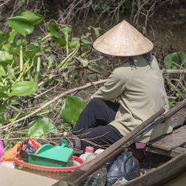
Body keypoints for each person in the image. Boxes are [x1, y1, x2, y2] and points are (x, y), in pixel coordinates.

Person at [64, 20, 173, 152]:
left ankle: (75, 143)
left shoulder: (122, 73)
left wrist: (90, 100)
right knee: (96, 105)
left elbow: (104, 95)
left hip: (139, 130)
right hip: (160, 123)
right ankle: (77, 140)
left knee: (86, 136)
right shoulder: (151, 60)